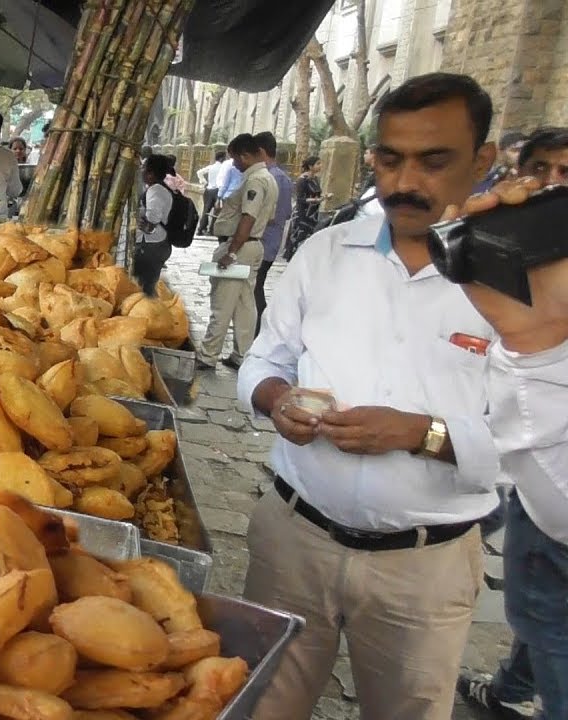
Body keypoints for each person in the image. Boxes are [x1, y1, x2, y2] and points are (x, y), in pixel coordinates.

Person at [238, 72, 503, 720]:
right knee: (258, 703)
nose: (407, 178)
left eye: (434, 159)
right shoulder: (326, 253)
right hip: (295, 541)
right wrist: (277, 400)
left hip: (424, 566)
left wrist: (421, 433)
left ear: (482, 162)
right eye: (391, 157)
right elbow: (262, 360)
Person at [455, 128, 568, 720]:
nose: (551, 186)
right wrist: (536, 345)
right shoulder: (509, 288)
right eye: (541, 170)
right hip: (534, 500)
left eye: (565, 175)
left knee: (549, 625)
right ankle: (507, 688)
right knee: (539, 613)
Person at [195, 133, 278, 370]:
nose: (234, 164)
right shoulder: (267, 178)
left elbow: (248, 217)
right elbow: (268, 217)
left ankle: (208, 354)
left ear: (245, 155)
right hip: (252, 245)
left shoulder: (255, 180)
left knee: (223, 302)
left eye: (235, 159)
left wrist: (231, 251)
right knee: (244, 304)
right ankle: (242, 354)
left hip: (240, 246)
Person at [253, 132, 293, 338]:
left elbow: (269, 215)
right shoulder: (284, 178)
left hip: (262, 241)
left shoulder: (269, 178)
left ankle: (259, 332)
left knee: (254, 289)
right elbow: (285, 214)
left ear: (260, 152)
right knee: (255, 287)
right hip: (271, 242)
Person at [132, 154, 176, 297]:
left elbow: (151, 222)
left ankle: (150, 315)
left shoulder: (155, 190)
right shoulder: (160, 189)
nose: (141, 170)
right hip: (157, 245)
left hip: (150, 246)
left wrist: (136, 220)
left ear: (150, 173)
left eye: (143, 167)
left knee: (145, 288)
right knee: (148, 286)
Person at [284, 156, 323, 260]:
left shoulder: (315, 179)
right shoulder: (302, 180)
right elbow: (300, 199)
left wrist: (323, 197)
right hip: (302, 214)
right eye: (318, 164)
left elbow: (317, 195)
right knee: (299, 237)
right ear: (310, 166)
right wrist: (315, 200)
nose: (320, 166)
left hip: (312, 215)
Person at [196, 151, 226, 235]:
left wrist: (204, 182)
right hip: (217, 190)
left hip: (208, 190)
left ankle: (201, 229)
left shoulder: (211, 167)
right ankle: (211, 230)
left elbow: (199, 172)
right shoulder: (223, 168)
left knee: (206, 210)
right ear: (221, 158)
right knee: (217, 211)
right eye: (224, 157)